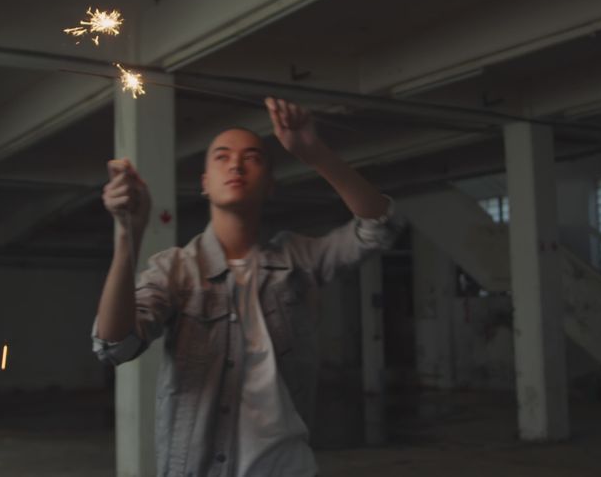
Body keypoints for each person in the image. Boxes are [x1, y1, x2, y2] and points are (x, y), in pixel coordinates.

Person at [93, 97, 404, 477]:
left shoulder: (298, 258)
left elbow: (379, 228)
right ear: (205, 183)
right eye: (221, 157)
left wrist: (315, 153)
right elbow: (114, 345)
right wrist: (128, 235)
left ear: (270, 184)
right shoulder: (176, 269)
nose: (236, 164)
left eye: (252, 157)